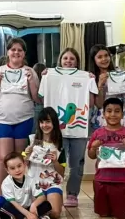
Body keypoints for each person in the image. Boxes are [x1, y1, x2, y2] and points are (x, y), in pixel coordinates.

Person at [39, 48, 97, 208]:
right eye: (65, 58)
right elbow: (41, 96)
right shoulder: (49, 76)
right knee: (54, 162)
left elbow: (91, 103)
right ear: (60, 60)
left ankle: (72, 194)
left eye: (72, 59)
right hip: (57, 130)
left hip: (79, 129)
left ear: (77, 62)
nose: (68, 61)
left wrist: (90, 81)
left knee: (76, 164)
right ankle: (53, 192)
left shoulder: (85, 77)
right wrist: (44, 77)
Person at [0, 38, 40, 190]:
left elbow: (37, 98)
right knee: (4, 158)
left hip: (24, 119)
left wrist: (32, 83)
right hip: (3, 120)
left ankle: (20, 192)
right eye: (13, 49)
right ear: (8, 52)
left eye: (20, 50)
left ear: (24, 53)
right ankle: (1, 194)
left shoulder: (30, 72)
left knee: (20, 159)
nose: (16, 52)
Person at [87, 97, 125, 219]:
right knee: (104, 214)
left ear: (122, 114)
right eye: (109, 111)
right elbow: (90, 156)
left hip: (123, 180)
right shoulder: (97, 133)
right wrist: (93, 148)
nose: (113, 114)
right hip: (101, 180)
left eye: (117, 111)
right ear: (103, 114)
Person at [25, 107, 65, 219]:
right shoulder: (31, 140)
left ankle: (36, 212)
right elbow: (22, 165)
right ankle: (35, 212)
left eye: (48, 121)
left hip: (52, 183)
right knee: (36, 207)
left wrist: (55, 161)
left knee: (55, 213)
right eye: (42, 122)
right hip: (34, 183)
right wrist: (27, 154)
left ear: (54, 123)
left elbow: (62, 173)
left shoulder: (59, 144)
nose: (44, 125)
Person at [0, 152, 53, 219]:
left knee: (47, 205)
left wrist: (34, 205)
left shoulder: (31, 180)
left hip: (27, 208)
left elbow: (42, 196)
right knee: (5, 206)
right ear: (7, 170)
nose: (17, 170)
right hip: (14, 209)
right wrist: (28, 214)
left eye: (19, 166)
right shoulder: (6, 183)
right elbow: (13, 203)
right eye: (12, 168)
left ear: (24, 165)